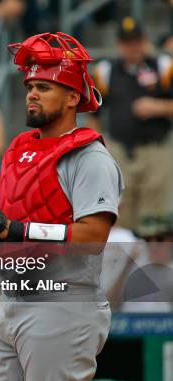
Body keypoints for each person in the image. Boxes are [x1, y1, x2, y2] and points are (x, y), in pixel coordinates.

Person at [0, 33, 123, 381]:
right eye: (30, 85)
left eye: (45, 87)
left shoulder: (89, 157)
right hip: (10, 301)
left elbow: (93, 235)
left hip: (63, 303)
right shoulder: (20, 149)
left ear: (72, 97)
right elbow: (13, 226)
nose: (32, 93)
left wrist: (17, 229)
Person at [90, 17, 173, 232]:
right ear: (119, 45)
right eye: (128, 42)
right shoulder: (106, 70)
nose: (133, 46)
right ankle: (125, 262)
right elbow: (94, 113)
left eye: (137, 40)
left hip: (156, 149)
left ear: (145, 41)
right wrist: (98, 148)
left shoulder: (164, 66)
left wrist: (157, 107)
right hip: (119, 150)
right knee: (121, 213)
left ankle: (152, 262)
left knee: (154, 217)